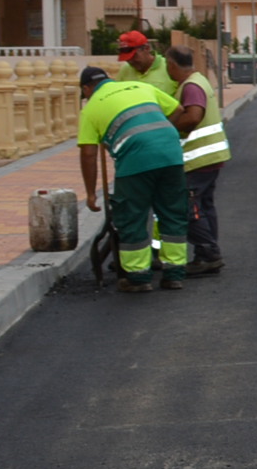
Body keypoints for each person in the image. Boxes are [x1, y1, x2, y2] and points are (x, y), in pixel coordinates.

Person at [76, 60, 191, 292]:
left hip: (135, 162)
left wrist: (90, 194)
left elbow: (88, 154)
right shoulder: (140, 87)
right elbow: (178, 110)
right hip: (171, 154)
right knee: (172, 212)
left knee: (132, 217)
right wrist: (157, 137)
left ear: (87, 89)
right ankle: (174, 275)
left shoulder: (91, 107)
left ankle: (138, 278)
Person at [167, 44, 229, 275]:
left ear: (172, 65)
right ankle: (207, 253)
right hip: (211, 155)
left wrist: (167, 128)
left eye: (167, 66)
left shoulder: (191, 86)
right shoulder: (200, 80)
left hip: (198, 157)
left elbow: (193, 117)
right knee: (205, 206)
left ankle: (209, 252)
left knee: (187, 206)